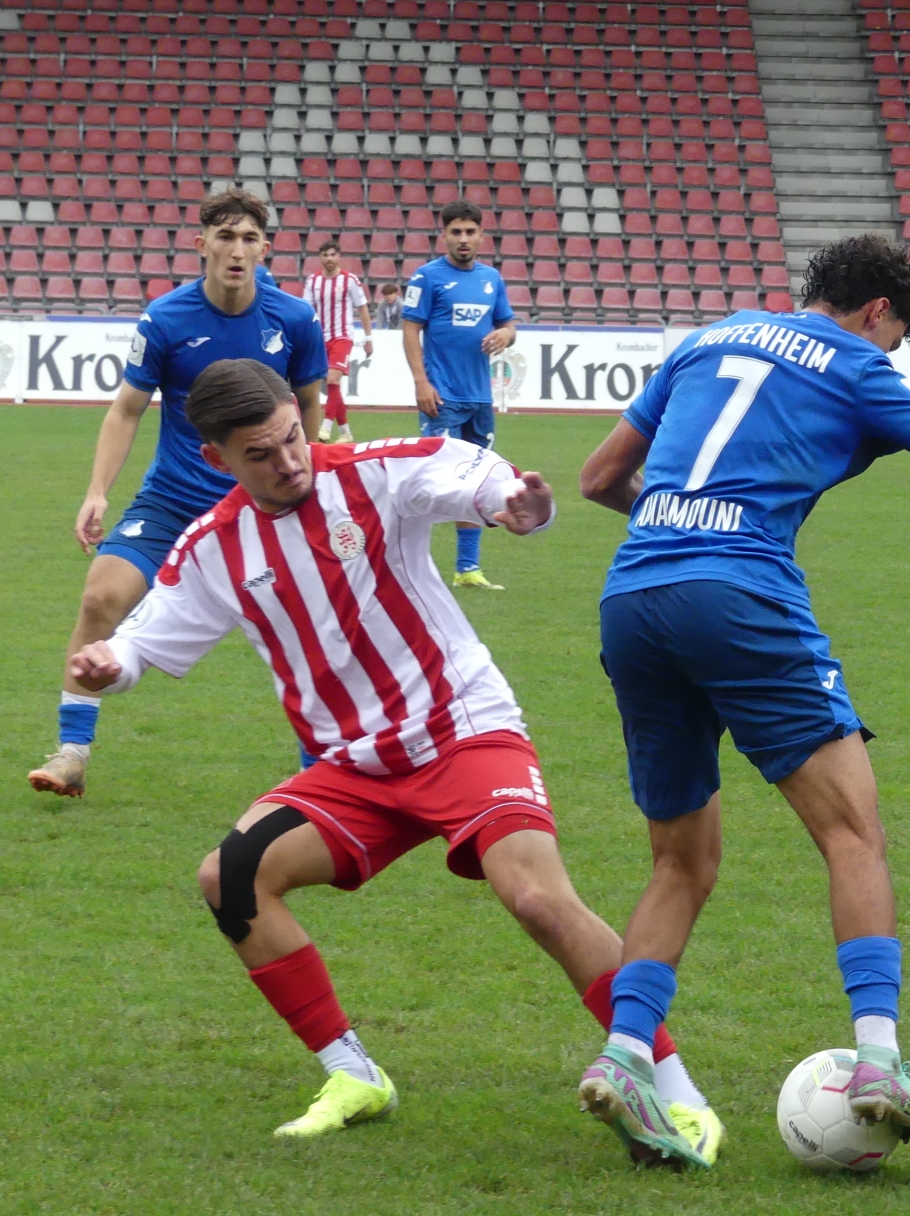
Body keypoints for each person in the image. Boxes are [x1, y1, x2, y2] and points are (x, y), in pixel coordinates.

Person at [64, 359, 720, 1161]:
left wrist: (518, 504)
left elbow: (469, 473)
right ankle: (353, 1074)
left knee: (538, 900)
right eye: (260, 454)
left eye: (292, 438)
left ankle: (675, 1091)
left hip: (462, 730)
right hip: (354, 769)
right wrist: (110, 664)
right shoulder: (214, 546)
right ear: (217, 459)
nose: (288, 461)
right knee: (230, 878)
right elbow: (146, 637)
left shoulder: (374, 472)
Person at [571, 235, 910, 1168]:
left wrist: (678, 523)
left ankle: (626, 1054)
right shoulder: (853, 362)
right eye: (895, 339)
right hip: (742, 596)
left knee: (680, 862)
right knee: (852, 833)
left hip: (633, 597)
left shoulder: (706, 339)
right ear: (878, 312)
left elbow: (598, 478)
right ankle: (878, 1061)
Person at [29, 189, 328, 800]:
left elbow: (309, 405)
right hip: (172, 500)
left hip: (262, 504)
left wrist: (301, 479)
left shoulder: (294, 319)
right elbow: (127, 409)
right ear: (201, 245)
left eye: (249, 239)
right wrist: (97, 492)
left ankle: (321, 769)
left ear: (265, 249)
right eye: (225, 237)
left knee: (308, 626)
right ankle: (72, 752)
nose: (237, 250)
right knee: (100, 597)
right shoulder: (165, 318)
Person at [404, 199, 516, 591]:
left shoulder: (491, 279)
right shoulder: (426, 278)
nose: (463, 238)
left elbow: (508, 324)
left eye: (470, 231)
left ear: (481, 235)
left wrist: (505, 335)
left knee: (476, 481)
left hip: (479, 398)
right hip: (442, 396)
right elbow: (410, 331)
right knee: (430, 482)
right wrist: (421, 382)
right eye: (456, 232)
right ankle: (408, 564)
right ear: (444, 236)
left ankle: (467, 568)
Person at [303, 240, 374, 444]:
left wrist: (368, 338)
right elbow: (306, 311)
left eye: (333, 254)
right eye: (325, 255)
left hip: (342, 337)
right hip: (320, 339)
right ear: (320, 257)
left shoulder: (349, 280)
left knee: (332, 379)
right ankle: (345, 432)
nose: (329, 259)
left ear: (339, 256)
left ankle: (325, 427)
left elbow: (362, 308)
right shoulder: (313, 281)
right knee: (333, 387)